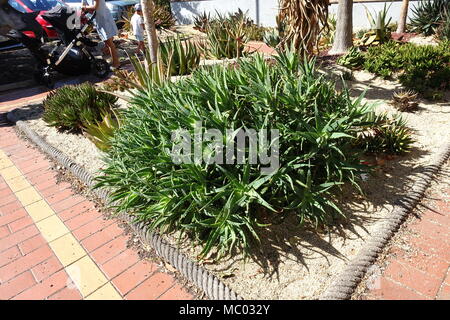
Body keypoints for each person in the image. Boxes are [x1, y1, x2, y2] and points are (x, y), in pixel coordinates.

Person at [81, 0, 120, 69]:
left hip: (104, 19)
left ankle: (116, 64)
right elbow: (84, 5)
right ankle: (114, 60)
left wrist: (85, 7)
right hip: (99, 20)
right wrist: (84, 8)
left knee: (109, 43)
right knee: (107, 43)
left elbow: (95, 6)